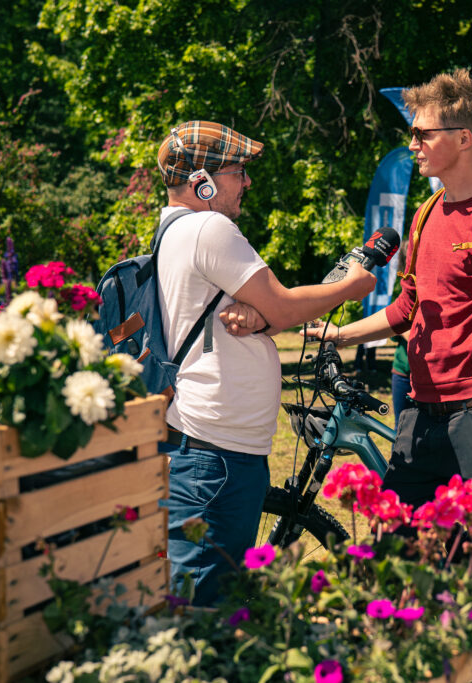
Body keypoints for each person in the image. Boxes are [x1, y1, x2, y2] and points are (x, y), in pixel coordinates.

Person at [301, 69, 472, 615]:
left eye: (423, 134)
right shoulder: (427, 213)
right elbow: (408, 307)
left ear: (464, 138)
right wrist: (339, 334)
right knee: (404, 558)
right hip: (422, 411)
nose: (412, 144)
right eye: (412, 134)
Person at [154, 120, 375, 606]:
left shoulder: (172, 230)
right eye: (238, 171)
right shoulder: (209, 227)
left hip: (211, 446)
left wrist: (260, 316)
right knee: (202, 604)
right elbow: (286, 308)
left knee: (210, 592)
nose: (247, 182)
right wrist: (355, 286)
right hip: (217, 453)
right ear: (203, 182)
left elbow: (259, 312)